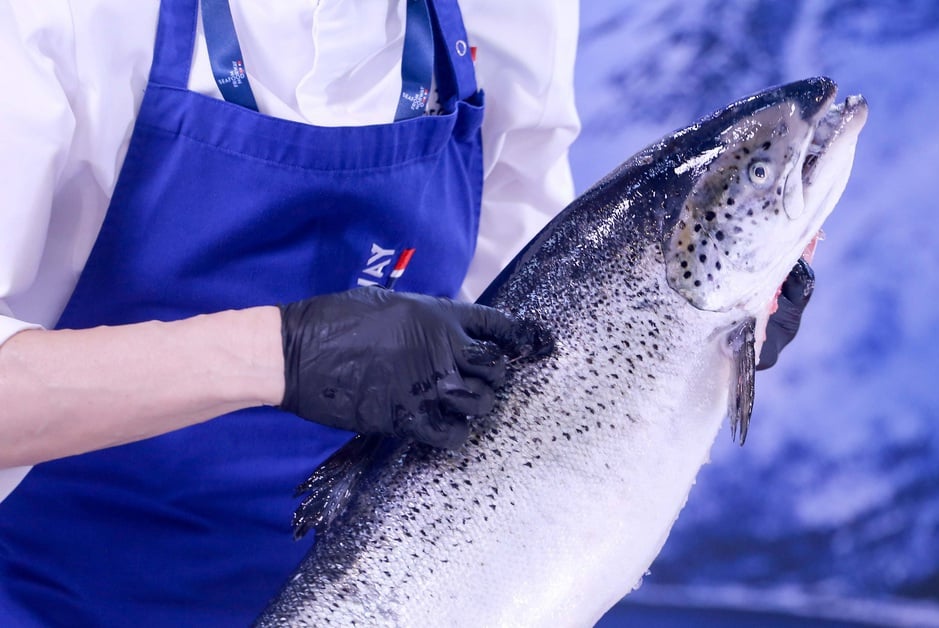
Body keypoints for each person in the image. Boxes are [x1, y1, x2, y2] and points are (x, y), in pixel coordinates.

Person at [0, 0, 813, 624]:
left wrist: (688, 345)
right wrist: (283, 354)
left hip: (416, 592)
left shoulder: (509, 16)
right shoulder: (62, 21)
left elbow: (524, 347)